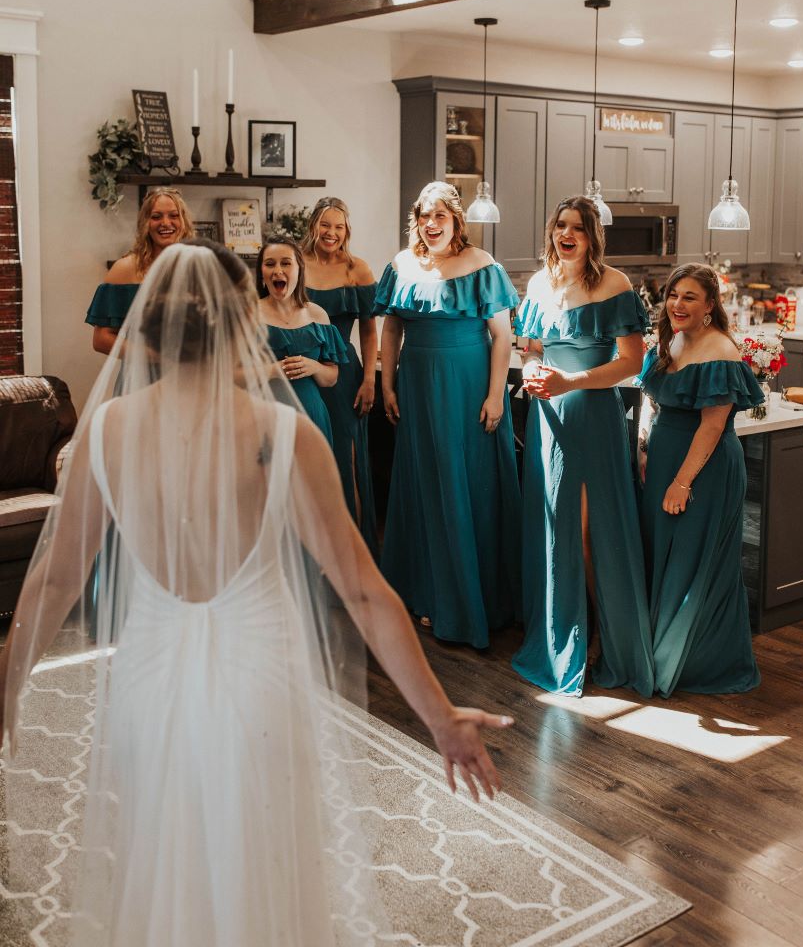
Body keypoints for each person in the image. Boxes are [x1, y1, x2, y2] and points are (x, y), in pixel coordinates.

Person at [0, 241, 511, 947]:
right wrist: (441, 717)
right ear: (244, 323)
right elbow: (363, 593)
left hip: (149, 675)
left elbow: (57, 575)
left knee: (165, 850)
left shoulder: (107, 430)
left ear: (149, 329)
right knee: (263, 857)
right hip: (260, 673)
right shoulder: (283, 434)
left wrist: (8, 682)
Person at [514, 196, 655, 695]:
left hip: (593, 418)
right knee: (555, 530)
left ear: (594, 237)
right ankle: (559, 635)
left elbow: (631, 364)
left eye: (577, 227)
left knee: (591, 535)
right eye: (560, 225)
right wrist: (533, 372)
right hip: (548, 420)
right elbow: (530, 351)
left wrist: (571, 381)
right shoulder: (537, 284)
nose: (565, 234)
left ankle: (602, 639)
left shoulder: (614, 284)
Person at [376, 181, 521, 649]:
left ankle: (473, 600)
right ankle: (426, 594)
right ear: (416, 220)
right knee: (423, 485)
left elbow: (502, 336)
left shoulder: (483, 266)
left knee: (468, 484)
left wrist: (496, 395)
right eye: (424, 216)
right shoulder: (401, 265)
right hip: (417, 386)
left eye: (441, 215)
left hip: (468, 386)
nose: (432, 224)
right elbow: (392, 326)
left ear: (457, 220)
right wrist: (386, 383)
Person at [637, 262, 763, 698]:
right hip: (665, 460)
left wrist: (682, 482)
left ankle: (695, 662)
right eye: (673, 294)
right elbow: (653, 403)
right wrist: (644, 448)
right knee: (666, 557)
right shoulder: (671, 342)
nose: (677, 304)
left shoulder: (721, 351)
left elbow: (711, 426)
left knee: (695, 560)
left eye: (689, 297)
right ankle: (661, 649)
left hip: (702, 470)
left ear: (710, 306)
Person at [302, 197, 379, 555]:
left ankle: (354, 553)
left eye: (339, 226)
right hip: (300, 370)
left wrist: (369, 380)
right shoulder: (296, 264)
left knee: (346, 458)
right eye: (325, 225)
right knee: (307, 457)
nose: (331, 233)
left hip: (346, 372)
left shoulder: (357, 270)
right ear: (314, 226)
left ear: (347, 231)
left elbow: (369, 330)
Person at [256, 234, 346, 444]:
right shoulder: (247, 315)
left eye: (286, 263)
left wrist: (314, 367)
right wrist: (273, 370)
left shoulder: (317, 315)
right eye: (270, 264)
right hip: (265, 417)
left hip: (311, 418)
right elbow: (233, 377)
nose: (278, 270)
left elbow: (331, 377)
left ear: (299, 270)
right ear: (262, 274)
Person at [86, 187, 195, 354]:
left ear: (184, 222)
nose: (166, 223)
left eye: (173, 215)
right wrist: (156, 357)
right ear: (145, 223)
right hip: (141, 376)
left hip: (192, 375)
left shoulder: (196, 265)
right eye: (156, 217)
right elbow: (101, 339)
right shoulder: (125, 269)